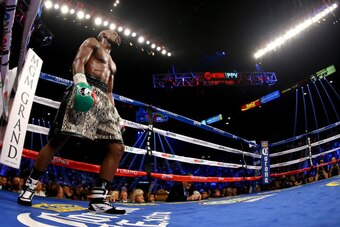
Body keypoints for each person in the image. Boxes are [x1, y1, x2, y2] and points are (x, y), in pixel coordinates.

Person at [18, 29, 126, 214]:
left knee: (117, 147)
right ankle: (29, 186)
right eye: (113, 32)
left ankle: (99, 199)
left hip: (104, 102)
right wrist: (81, 85)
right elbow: (78, 61)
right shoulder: (92, 42)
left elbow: (109, 91)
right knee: (59, 140)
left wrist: (115, 113)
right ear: (103, 34)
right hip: (86, 88)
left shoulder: (113, 63)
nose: (118, 34)